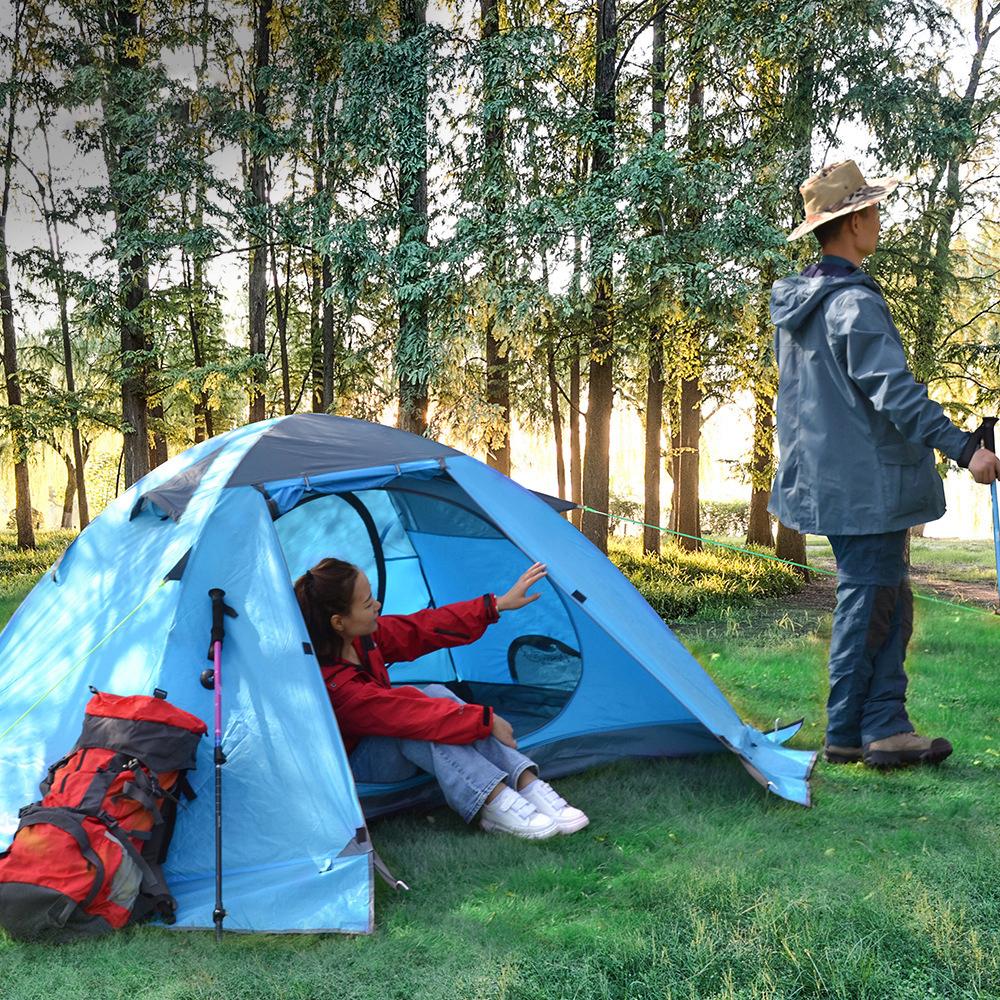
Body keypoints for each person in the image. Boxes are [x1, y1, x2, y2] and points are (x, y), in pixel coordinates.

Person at [770, 159, 1000, 770]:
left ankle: (881, 727)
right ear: (853, 222)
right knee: (872, 603)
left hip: (835, 482)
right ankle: (852, 731)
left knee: (885, 601)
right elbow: (894, 392)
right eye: (872, 211)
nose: (879, 220)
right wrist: (965, 447)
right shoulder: (849, 304)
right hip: (864, 488)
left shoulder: (804, 303)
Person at [293, 557, 589, 839]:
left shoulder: (359, 638)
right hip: (360, 773)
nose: (378, 605)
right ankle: (492, 800)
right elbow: (404, 716)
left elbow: (423, 628)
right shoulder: (334, 685)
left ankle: (526, 783)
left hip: (388, 738)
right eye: (368, 602)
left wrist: (495, 606)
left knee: (432, 693)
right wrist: (485, 719)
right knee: (414, 721)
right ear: (338, 622)